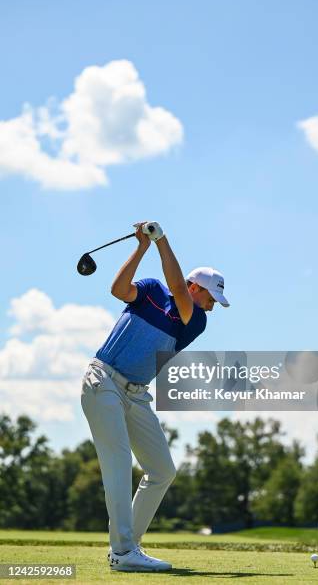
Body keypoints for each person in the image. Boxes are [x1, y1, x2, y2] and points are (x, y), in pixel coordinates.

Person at [81, 221, 229, 572]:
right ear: (197, 287)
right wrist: (143, 247)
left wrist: (162, 240)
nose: (211, 306)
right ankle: (123, 552)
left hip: (135, 395)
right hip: (103, 381)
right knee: (118, 465)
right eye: (210, 297)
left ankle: (128, 546)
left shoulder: (194, 321)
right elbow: (118, 289)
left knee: (162, 470)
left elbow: (177, 287)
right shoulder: (149, 289)